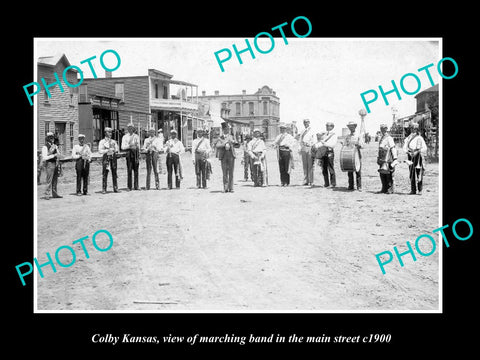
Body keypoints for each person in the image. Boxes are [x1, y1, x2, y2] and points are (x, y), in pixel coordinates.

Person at [403, 122, 427, 195]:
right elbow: (404, 147)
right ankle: (413, 190)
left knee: (418, 173)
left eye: (415, 129)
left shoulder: (419, 138)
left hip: (418, 156)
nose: (413, 130)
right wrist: (408, 152)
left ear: (417, 129)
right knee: (411, 173)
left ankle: (420, 190)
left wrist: (418, 151)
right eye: (412, 128)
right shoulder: (408, 138)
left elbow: (424, 148)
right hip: (410, 156)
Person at [377, 124, 398, 194]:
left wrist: (395, 158)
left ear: (386, 129)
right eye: (381, 129)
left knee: (389, 174)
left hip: (388, 158)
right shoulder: (381, 138)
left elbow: (393, 148)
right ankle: (384, 188)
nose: (382, 130)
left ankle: (390, 189)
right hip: (382, 158)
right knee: (382, 174)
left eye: (384, 129)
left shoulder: (389, 138)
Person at [216, 124, 238, 192]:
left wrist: (233, 142)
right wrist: (224, 144)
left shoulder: (231, 136)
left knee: (231, 172)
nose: (227, 130)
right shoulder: (220, 138)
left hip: (231, 155)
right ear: (223, 130)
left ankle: (231, 188)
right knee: (225, 172)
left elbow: (237, 145)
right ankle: (225, 187)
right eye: (225, 129)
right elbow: (217, 146)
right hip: (223, 156)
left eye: (228, 129)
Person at [41, 132, 62, 200]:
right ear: (47, 138)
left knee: (55, 179)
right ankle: (47, 194)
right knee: (49, 180)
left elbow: (58, 153)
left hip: (55, 163)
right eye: (50, 137)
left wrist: (59, 156)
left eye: (52, 137)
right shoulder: (45, 147)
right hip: (49, 164)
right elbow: (44, 157)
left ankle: (54, 193)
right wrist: (53, 155)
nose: (52, 139)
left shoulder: (55, 146)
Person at [98, 127, 119, 194]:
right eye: (108, 132)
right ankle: (104, 188)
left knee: (114, 172)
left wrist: (114, 149)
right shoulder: (102, 141)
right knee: (105, 173)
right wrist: (107, 150)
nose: (110, 133)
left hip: (113, 157)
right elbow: (100, 151)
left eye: (111, 132)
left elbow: (117, 149)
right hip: (106, 157)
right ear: (105, 133)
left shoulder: (113, 141)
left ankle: (115, 187)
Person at [344, 121, 364, 191]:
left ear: (355, 127)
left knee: (358, 170)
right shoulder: (348, 136)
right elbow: (345, 144)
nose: (351, 128)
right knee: (350, 170)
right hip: (349, 154)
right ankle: (351, 185)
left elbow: (362, 145)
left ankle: (359, 186)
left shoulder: (358, 135)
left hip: (357, 154)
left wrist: (358, 145)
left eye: (352, 126)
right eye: (349, 127)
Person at [317, 121, 338, 188]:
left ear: (332, 127)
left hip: (329, 152)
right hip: (323, 152)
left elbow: (333, 145)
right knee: (324, 168)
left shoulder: (334, 135)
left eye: (329, 126)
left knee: (330, 168)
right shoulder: (324, 134)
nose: (327, 127)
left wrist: (325, 144)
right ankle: (326, 183)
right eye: (326, 126)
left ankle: (333, 183)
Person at [121, 122, 140, 191]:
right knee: (129, 169)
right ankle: (129, 186)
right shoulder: (124, 137)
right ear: (127, 129)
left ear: (133, 129)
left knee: (136, 170)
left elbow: (138, 145)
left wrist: (136, 147)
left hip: (135, 153)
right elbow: (122, 147)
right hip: (128, 153)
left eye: (131, 128)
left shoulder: (136, 136)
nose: (130, 129)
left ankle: (136, 186)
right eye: (129, 128)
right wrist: (129, 146)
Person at [298, 119, 316, 186]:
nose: (305, 123)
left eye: (307, 122)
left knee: (310, 165)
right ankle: (306, 180)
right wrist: (300, 148)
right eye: (304, 122)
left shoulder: (312, 131)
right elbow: (300, 140)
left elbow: (314, 140)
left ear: (309, 123)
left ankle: (311, 181)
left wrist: (312, 146)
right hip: (303, 148)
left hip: (310, 148)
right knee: (305, 165)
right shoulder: (302, 131)